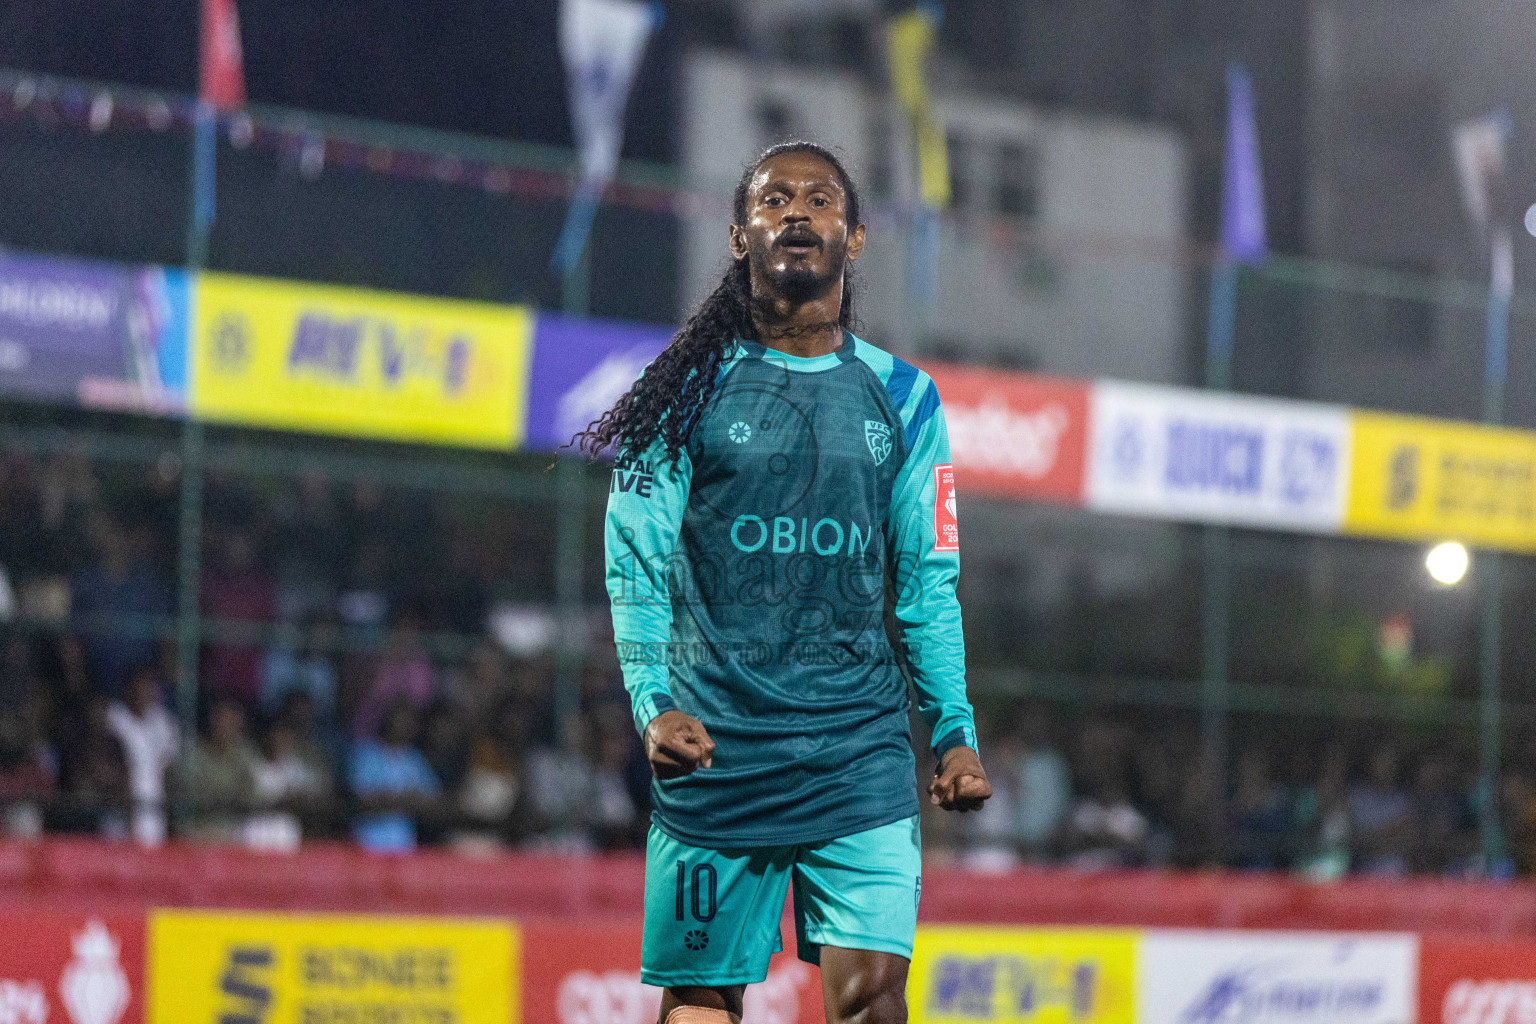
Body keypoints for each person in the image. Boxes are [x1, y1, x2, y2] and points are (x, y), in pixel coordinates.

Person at [583, 141, 990, 1024]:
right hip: (717, 749)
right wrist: (653, 706)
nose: (796, 213)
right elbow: (636, 562)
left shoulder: (907, 400)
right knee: (698, 1007)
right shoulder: (681, 391)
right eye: (773, 201)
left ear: (856, 237)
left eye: (818, 199)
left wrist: (952, 730)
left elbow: (927, 585)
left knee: (875, 1001)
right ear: (738, 236)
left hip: (859, 753)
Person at [348, 702, 441, 853]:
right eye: (399, 720)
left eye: (408, 722)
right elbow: (364, 798)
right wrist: (406, 800)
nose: (403, 726)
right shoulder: (366, 754)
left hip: (404, 842)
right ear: (387, 720)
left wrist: (390, 799)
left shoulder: (414, 759)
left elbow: (432, 799)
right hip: (366, 842)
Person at [107, 665, 178, 846]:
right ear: (128, 688)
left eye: (151, 686)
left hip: (154, 808)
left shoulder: (164, 723)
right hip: (119, 807)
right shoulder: (115, 717)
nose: (146, 691)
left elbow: (169, 769)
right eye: (141, 685)